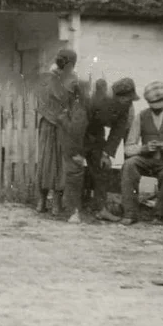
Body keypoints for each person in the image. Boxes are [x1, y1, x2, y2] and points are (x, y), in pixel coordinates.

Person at [119, 81, 163, 226]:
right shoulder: (141, 116)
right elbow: (128, 147)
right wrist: (144, 148)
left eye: (160, 105)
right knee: (128, 165)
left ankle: (160, 214)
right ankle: (130, 212)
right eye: (153, 105)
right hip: (147, 159)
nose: (156, 109)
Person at [87, 77, 138, 223]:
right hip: (82, 130)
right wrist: (79, 148)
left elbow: (118, 131)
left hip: (97, 132)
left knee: (102, 167)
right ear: (117, 97)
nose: (129, 102)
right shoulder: (97, 100)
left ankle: (101, 209)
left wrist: (106, 154)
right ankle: (74, 210)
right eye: (126, 99)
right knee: (75, 168)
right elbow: (81, 121)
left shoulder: (126, 107)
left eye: (131, 99)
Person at [34, 48, 78, 215]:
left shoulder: (45, 78)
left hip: (46, 124)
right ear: (71, 64)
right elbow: (75, 104)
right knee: (61, 162)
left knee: (45, 161)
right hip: (63, 126)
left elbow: (39, 102)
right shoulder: (72, 80)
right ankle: (56, 204)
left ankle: (42, 201)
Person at [55, 79, 90, 224]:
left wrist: (63, 119)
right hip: (71, 149)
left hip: (75, 150)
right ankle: (72, 211)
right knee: (71, 180)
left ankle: (74, 213)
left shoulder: (79, 109)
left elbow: (75, 131)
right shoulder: (74, 107)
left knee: (74, 180)